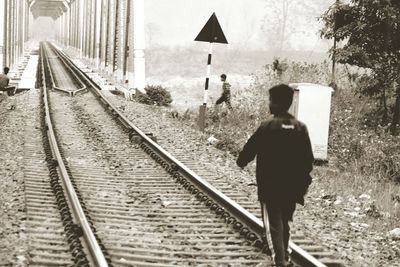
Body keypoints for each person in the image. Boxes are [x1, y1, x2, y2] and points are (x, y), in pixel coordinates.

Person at [236, 84, 314, 267]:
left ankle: (278, 261)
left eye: (270, 100)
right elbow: (307, 159)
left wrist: (241, 161)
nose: (269, 103)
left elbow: (250, 148)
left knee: (273, 225)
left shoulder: (267, 126)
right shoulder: (300, 128)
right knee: (285, 221)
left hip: (270, 186)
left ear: (276, 104)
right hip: (293, 186)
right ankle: (285, 256)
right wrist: (303, 184)